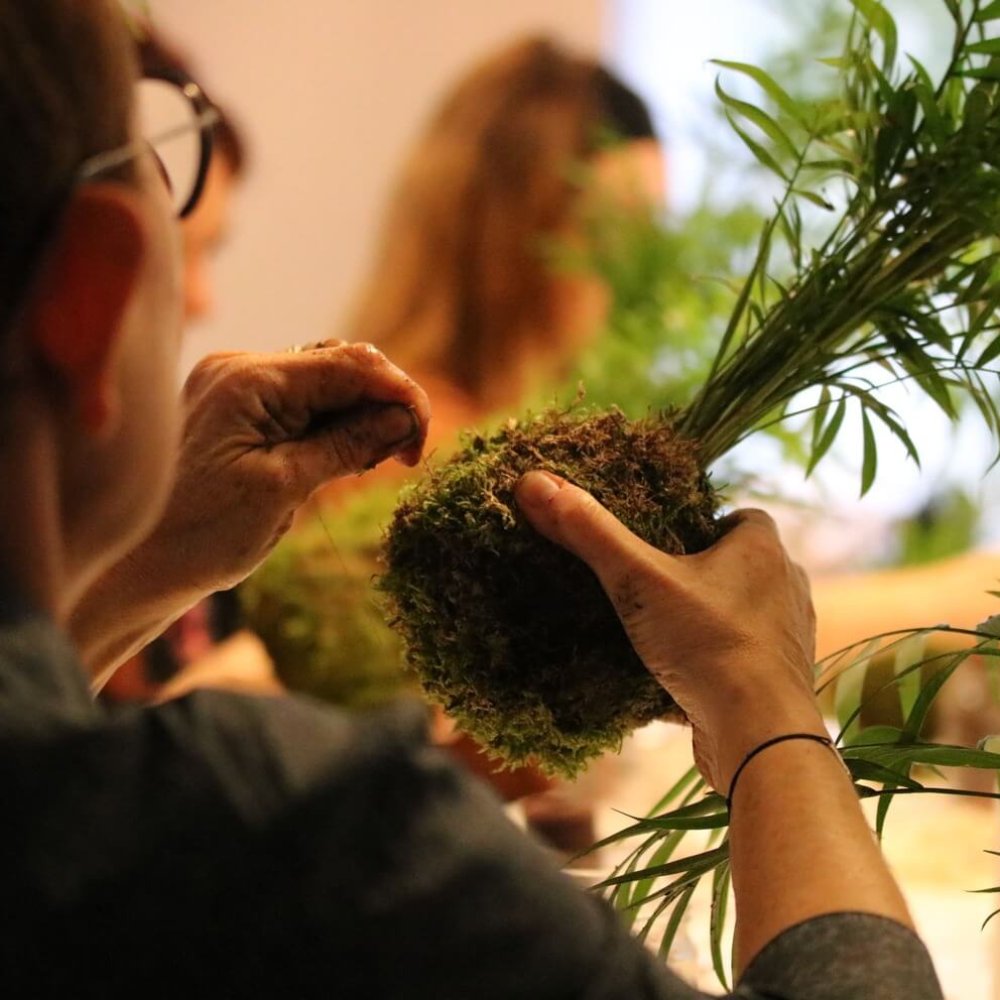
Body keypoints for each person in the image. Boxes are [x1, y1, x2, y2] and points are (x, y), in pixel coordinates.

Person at [0, 1, 941, 995]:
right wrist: (768, 707)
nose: (202, 303)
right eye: (163, 188)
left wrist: (129, 576)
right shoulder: (302, 839)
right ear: (90, 295)